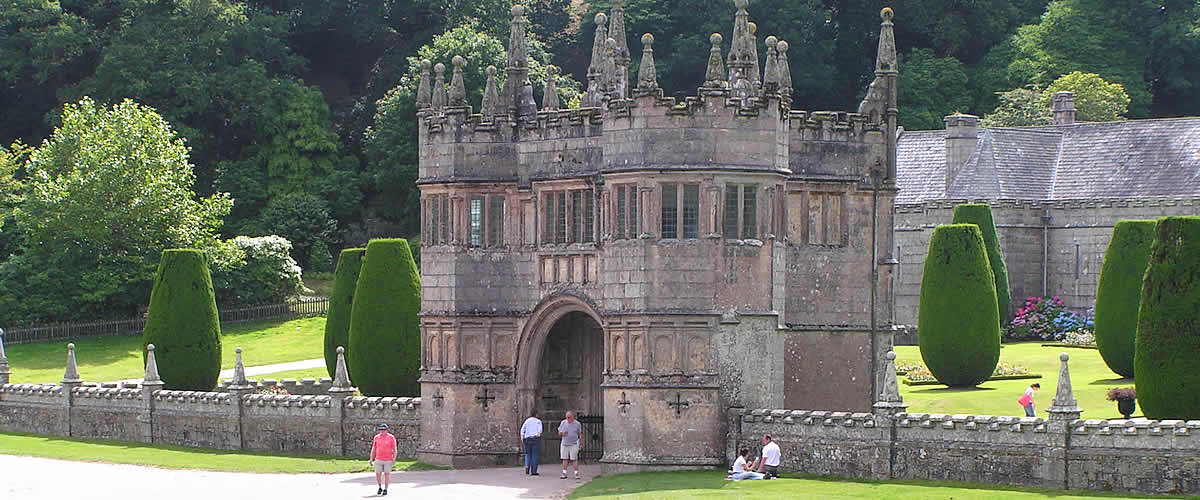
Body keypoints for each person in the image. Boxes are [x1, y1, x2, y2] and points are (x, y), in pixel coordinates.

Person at [368, 423, 397, 496]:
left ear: (387, 430)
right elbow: (374, 448)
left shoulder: (391, 437)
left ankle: (386, 488)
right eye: (381, 430)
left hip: (388, 459)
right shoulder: (376, 437)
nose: (382, 431)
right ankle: (380, 487)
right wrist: (371, 458)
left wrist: (394, 458)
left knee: (387, 474)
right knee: (378, 474)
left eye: (383, 430)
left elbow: (394, 449)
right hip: (378, 458)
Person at [558, 411, 583, 480]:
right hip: (564, 443)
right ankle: (564, 473)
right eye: (566, 417)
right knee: (564, 458)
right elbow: (559, 432)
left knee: (574, 459)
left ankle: (576, 473)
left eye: (569, 417)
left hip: (574, 443)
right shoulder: (563, 423)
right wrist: (562, 433)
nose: (567, 419)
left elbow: (580, 434)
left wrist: (581, 444)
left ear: (572, 417)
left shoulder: (577, 424)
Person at [520, 410, 543, 475]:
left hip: (527, 439)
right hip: (535, 439)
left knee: (527, 454)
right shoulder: (538, 421)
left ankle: (527, 466)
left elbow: (522, 429)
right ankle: (533, 471)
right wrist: (538, 436)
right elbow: (540, 431)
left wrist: (522, 437)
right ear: (536, 414)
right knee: (534, 455)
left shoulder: (527, 421)